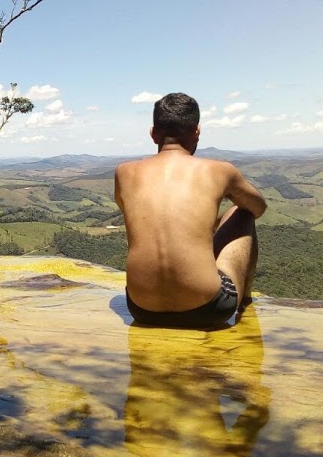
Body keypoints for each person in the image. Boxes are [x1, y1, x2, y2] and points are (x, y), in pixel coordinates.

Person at [114, 92, 266, 329]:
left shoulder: (123, 173)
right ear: (196, 132)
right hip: (209, 309)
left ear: (153, 134)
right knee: (241, 212)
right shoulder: (221, 170)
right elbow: (258, 208)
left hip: (142, 309)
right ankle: (245, 300)